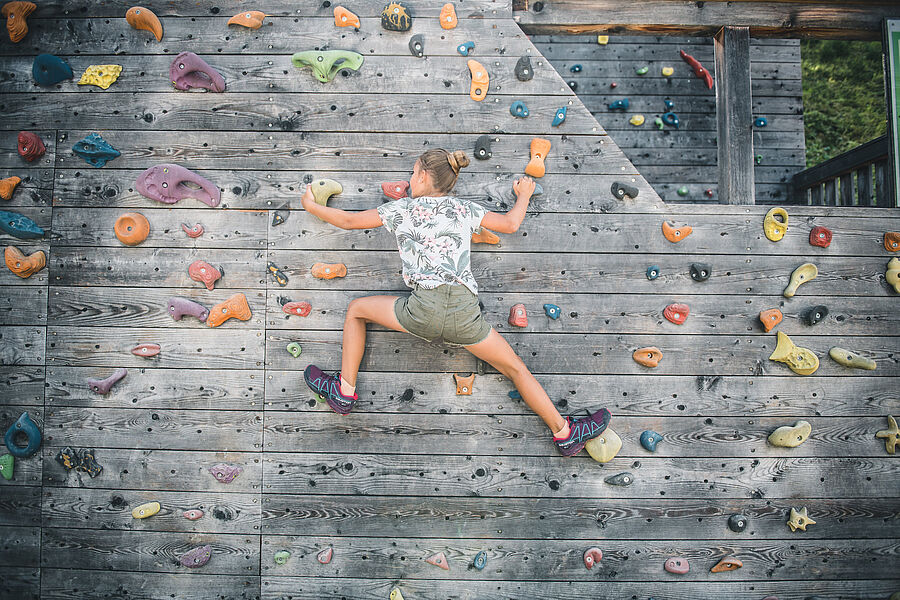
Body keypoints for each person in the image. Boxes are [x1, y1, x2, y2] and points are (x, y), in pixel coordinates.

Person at [299, 148, 611, 456]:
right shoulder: (464, 210)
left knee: (356, 311)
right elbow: (510, 225)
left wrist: (311, 206)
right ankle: (565, 433)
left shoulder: (401, 210)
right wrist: (525, 194)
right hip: (464, 314)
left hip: (422, 311)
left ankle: (344, 392)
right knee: (515, 368)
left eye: (412, 173)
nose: (409, 180)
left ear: (423, 176)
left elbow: (348, 221)